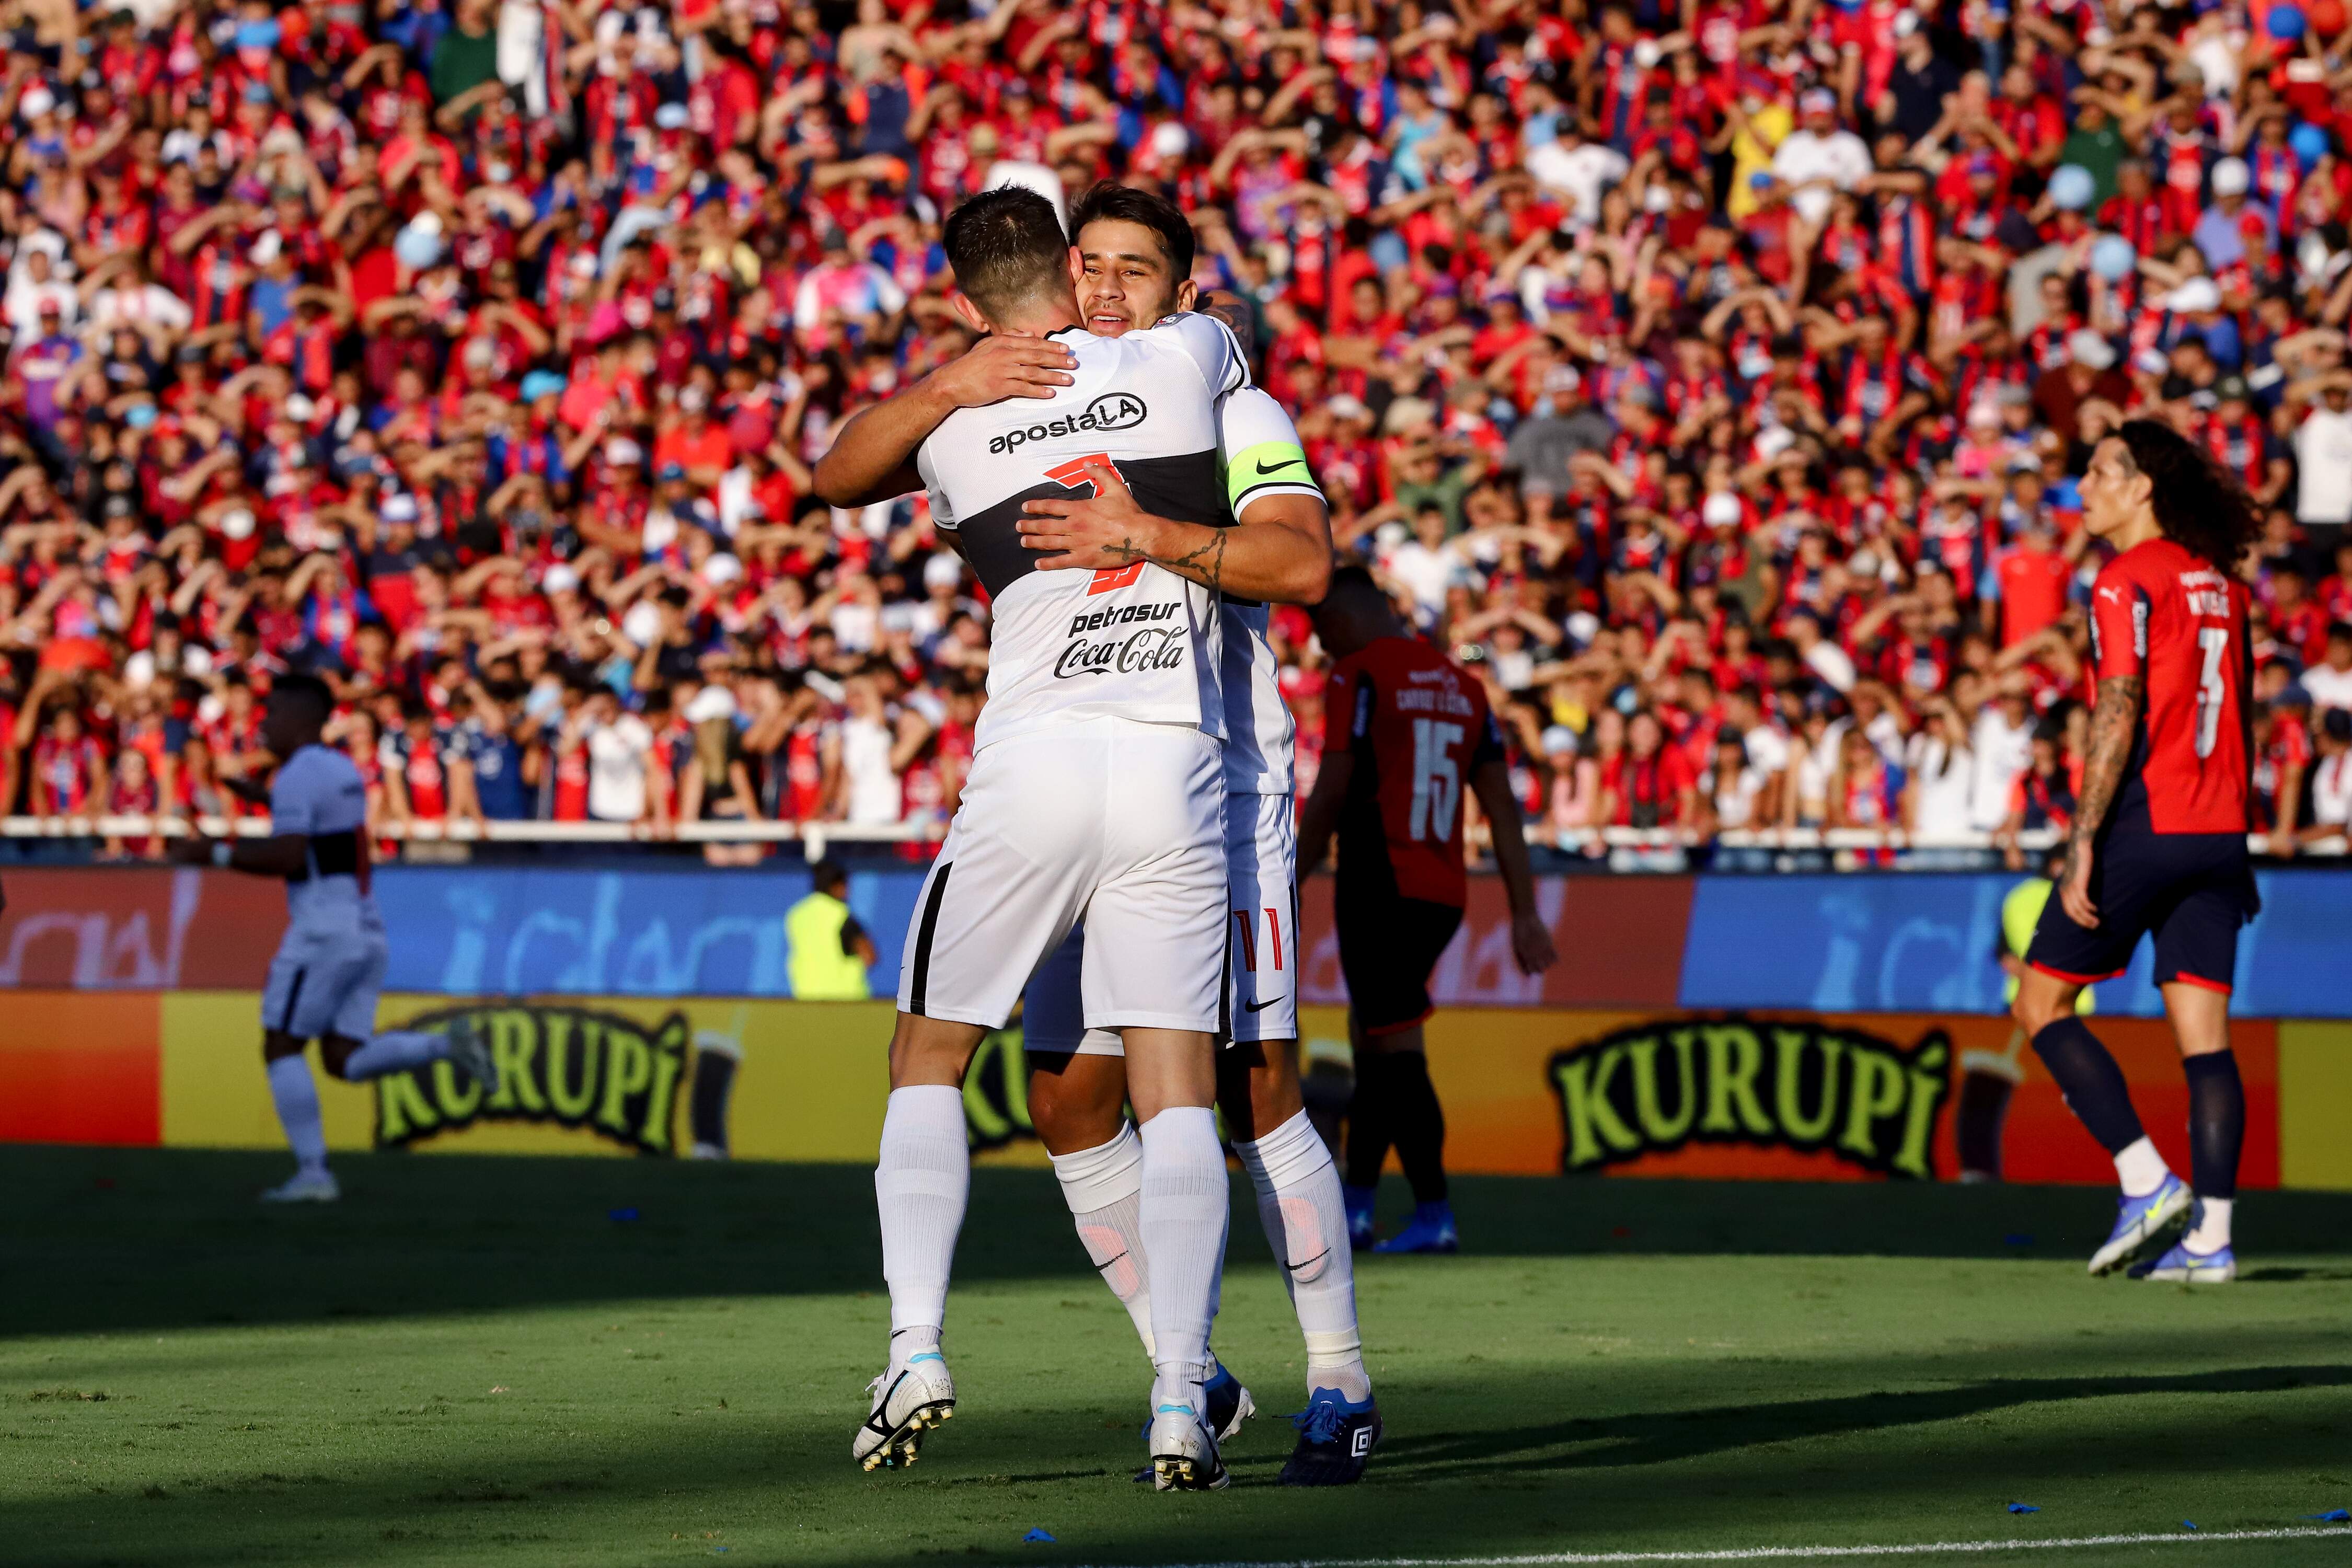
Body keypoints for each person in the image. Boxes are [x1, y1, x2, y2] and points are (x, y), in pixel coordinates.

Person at [810, 186, 1259, 1490]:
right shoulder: (1185, 356)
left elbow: (836, 476)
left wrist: (951, 384)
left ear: (960, 303)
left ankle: (915, 1346)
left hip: (1033, 764)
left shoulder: (952, 432)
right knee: (1177, 1085)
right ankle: (1180, 1392)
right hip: (1175, 760)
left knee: (926, 1053)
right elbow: (1198, 326)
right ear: (1075, 272)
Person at [1009, 183, 1372, 1485]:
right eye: (1086, 267)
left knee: (1249, 1078)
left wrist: (1145, 533)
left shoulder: (1239, 411)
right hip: (1074, 786)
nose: (1105, 290)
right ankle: (1196, 1371)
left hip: (1213, 788)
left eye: (1133, 271)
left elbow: (1298, 568)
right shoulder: (1030, 403)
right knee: (1061, 1093)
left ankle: (1338, 1380)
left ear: (1182, 294)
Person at [2011, 421, 2262, 1285]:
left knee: (2041, 1002)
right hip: (2220, 833)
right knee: (2206, 1041)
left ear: (2140, 488)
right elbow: (2241, 721)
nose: (2082, 485)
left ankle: (2145, 1179)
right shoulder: (2224, 588)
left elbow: (2117, 708)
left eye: (2098, 471)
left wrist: (2082, 840)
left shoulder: (2123, 581)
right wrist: (2239, 846)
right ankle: (2212, 1242)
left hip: (2148, 825)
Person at [1298, 567, 1558, 1256]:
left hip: (1379, 882)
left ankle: (1432, 1213)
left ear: (1348, 616)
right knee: (1376, 1037)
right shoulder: (1463, 688)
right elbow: (1502, 807)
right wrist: (1525, 912)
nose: (1323, 644)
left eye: (1323, 626)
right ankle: (1356, 1210)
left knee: (1395, 1051)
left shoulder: (1360, 674)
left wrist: (1292, 873)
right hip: (1442, 892)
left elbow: (1334, 785)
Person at [168, 676, 497, 1203]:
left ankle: (314, 1175)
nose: (265, 723)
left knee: (281, 1044)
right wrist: (249, 793)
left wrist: (214, 853)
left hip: (323, 927)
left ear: (301, 719)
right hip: (366, 925)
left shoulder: (298, 774)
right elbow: (319, 831)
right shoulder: (337, 768)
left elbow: (292, 856)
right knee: (343, 1058)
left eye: (273, 713)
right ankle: (444, 1047)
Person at [787, 858, 875, 1001]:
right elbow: (870, 957)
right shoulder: (843, 916)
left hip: (806, 997)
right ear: (835, 886)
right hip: (846, 1000)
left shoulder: (796, 915)